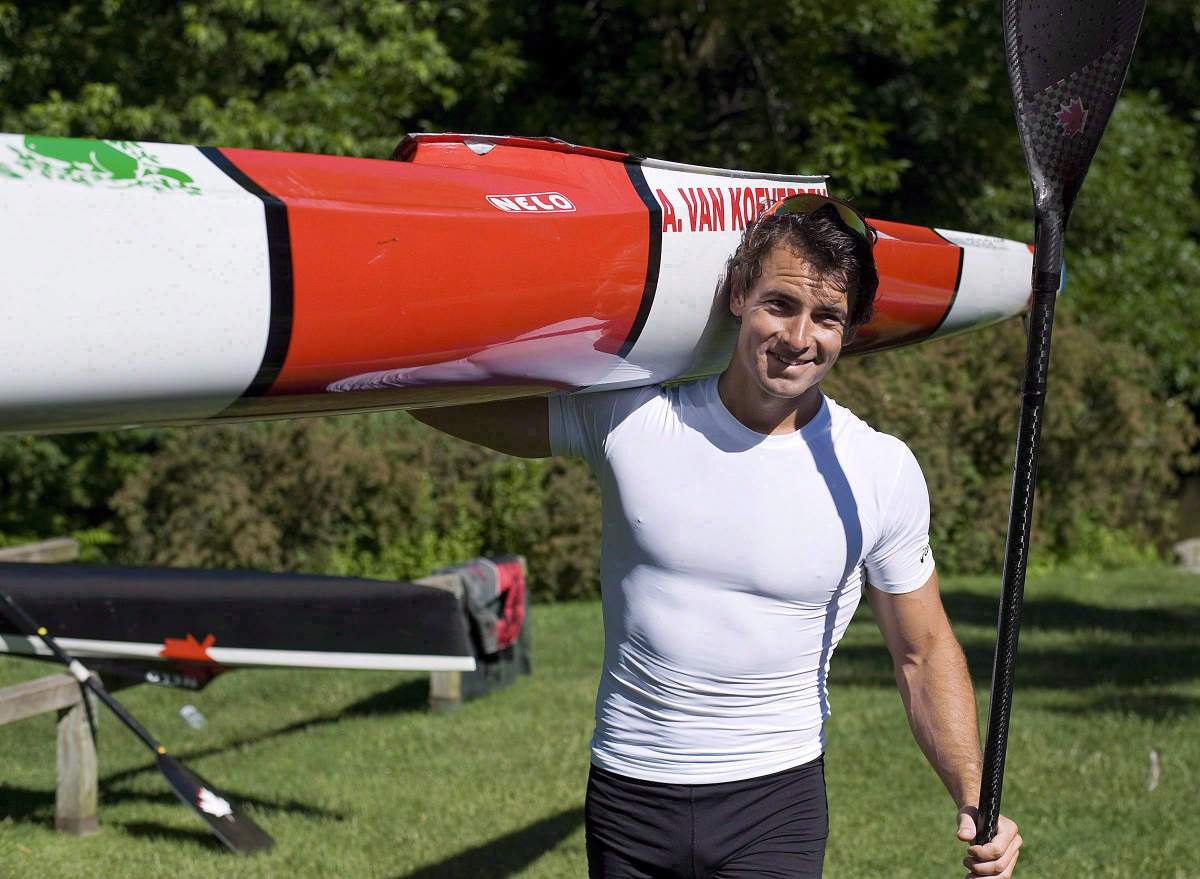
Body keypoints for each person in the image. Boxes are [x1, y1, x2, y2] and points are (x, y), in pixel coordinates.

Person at [411, 194, 1023, 878]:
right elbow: (464, 407)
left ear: (848, 330)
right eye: (781, 304)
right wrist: (372, 362)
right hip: (628, 792)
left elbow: (922, 648)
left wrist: (973, 793)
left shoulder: (877, 469)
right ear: (738, 294)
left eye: (827, 318)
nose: (799, 337)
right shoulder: (632, 417)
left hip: (774, 798)